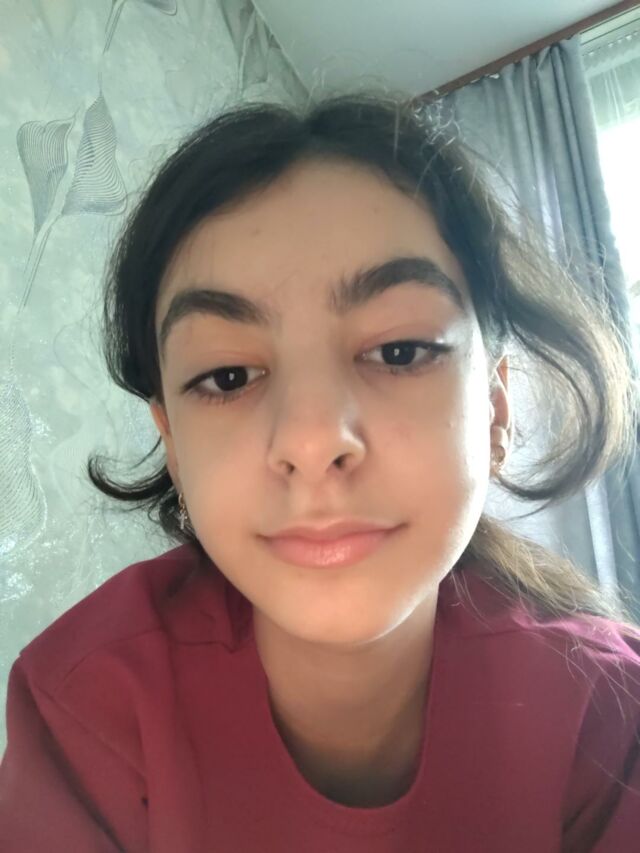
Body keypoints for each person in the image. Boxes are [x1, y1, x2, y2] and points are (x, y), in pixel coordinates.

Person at [1, 92, 639, 853]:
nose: (311, 442)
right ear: (172, 443)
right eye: (228, 376)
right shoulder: (82, 707)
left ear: (495, 410)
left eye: (399, 351)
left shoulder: (612, 715)